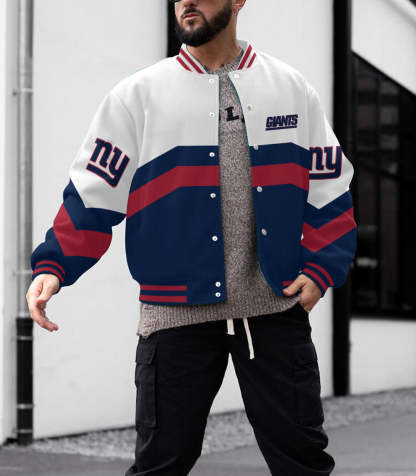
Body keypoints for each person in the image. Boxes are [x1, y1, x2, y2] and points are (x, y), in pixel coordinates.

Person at [26, 0, 357, 474]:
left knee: (303, 464)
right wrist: (55, 265)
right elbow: (92, 192)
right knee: (160, 466)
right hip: (174, 316)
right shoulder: (137, 95)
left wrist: (322, 267)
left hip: (273, 312)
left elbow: (330, 186)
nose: (186, 1)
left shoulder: (290, 89)